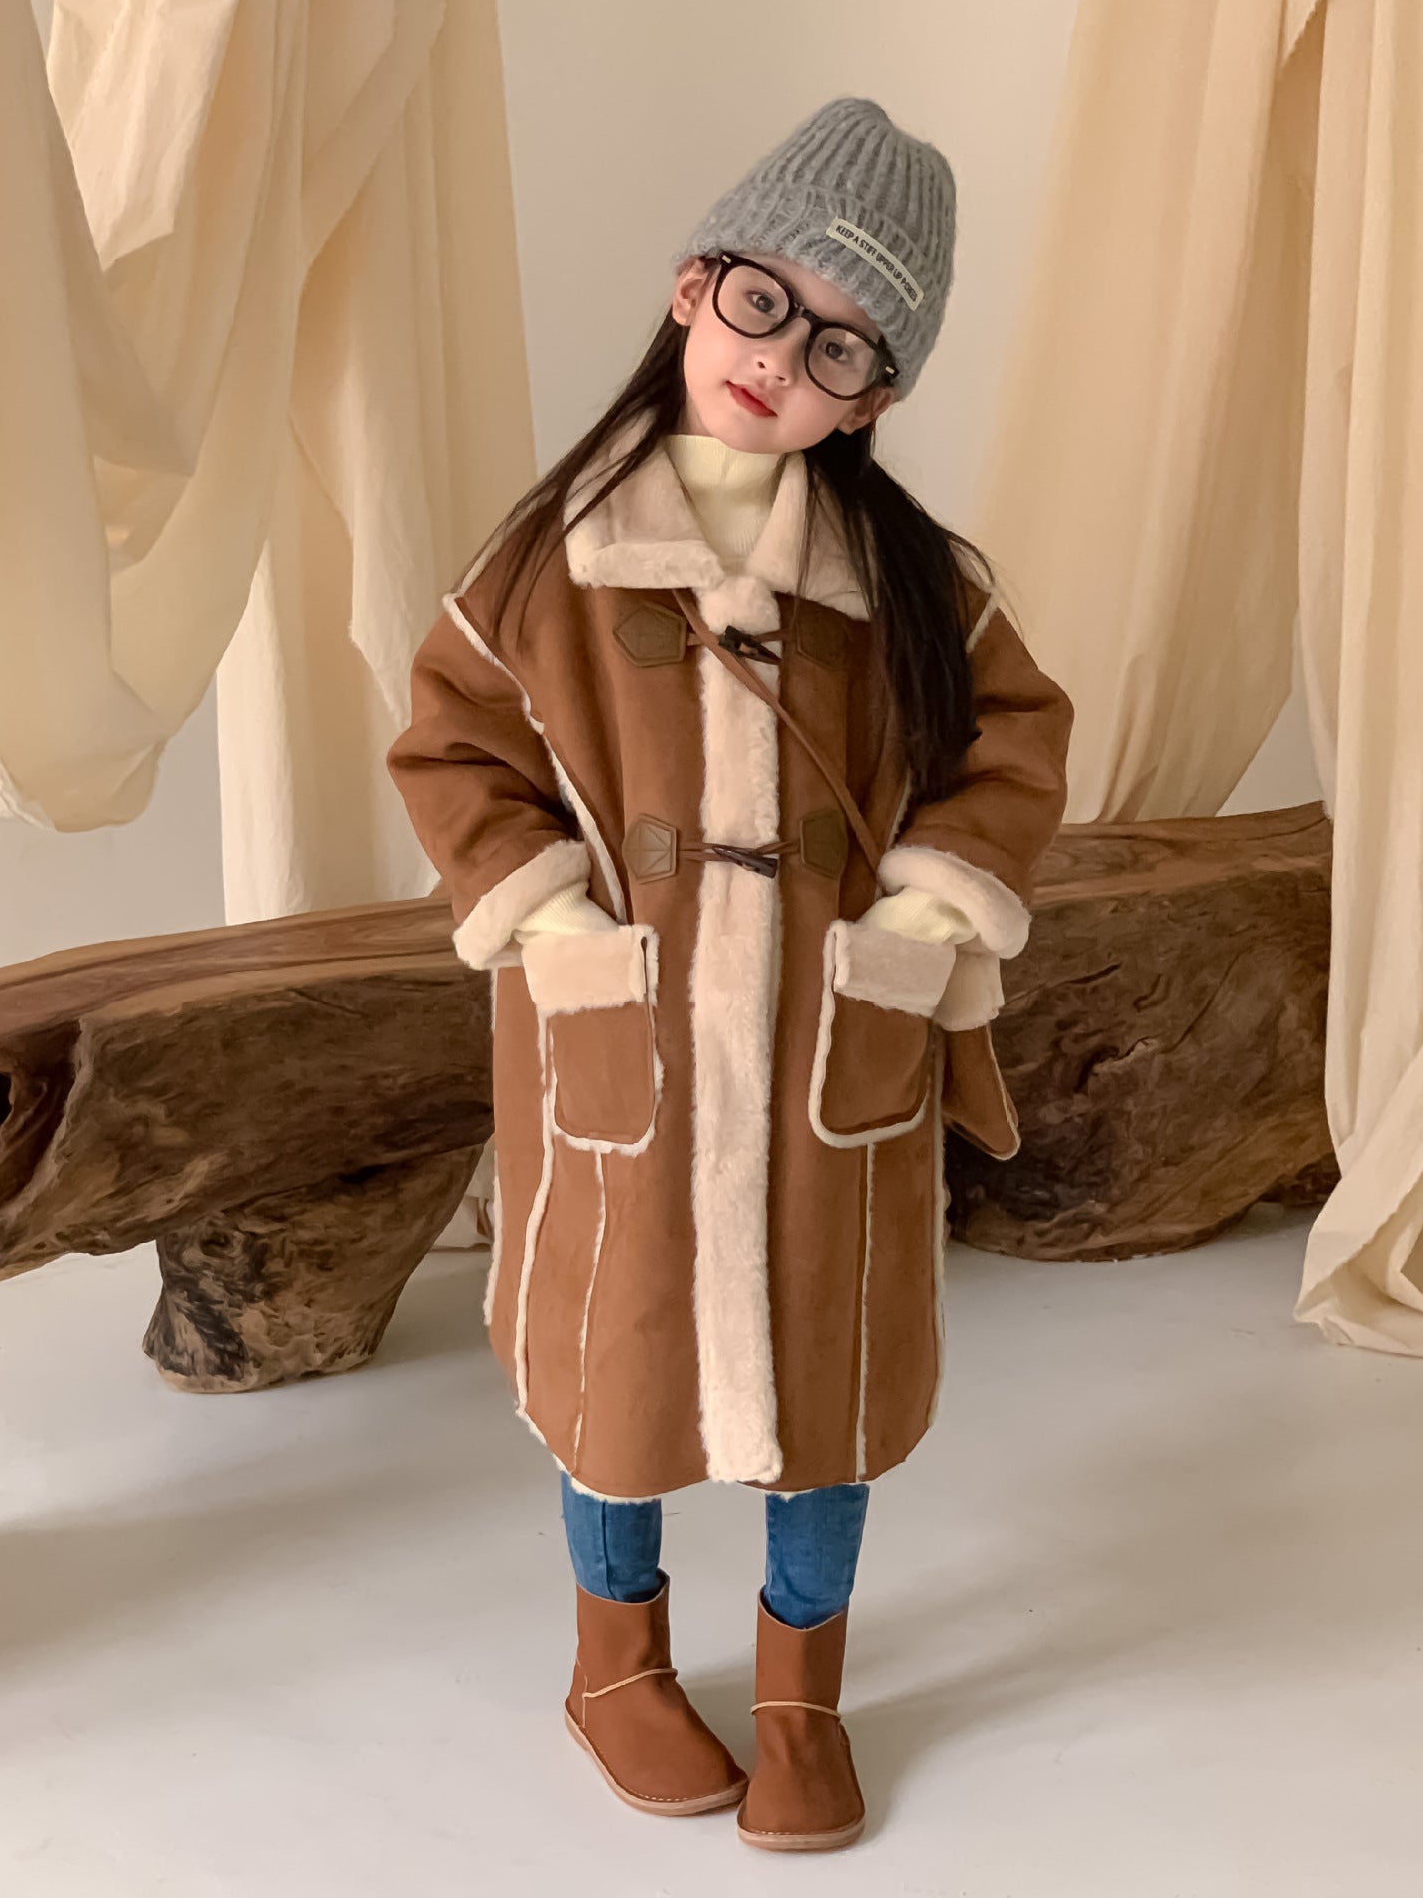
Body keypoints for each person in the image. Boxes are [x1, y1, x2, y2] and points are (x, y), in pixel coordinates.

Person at [386, 96, 1073, 1852]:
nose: (783, 359)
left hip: (837, 1045)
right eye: (766, 301)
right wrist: (553, 925)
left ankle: (799, 1696)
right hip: (625, 1042)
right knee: (613, 1365)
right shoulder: (549, 559)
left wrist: (923, 920)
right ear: (695, 287)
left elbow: (1013, 744)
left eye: (843, 343)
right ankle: (612, 1665)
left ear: (875, 396)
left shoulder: (913, 582)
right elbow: (454, 746)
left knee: (830, 1370)